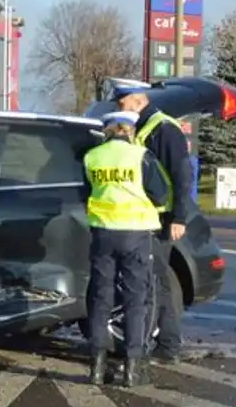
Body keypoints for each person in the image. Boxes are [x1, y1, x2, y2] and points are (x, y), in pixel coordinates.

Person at [108, 85, 196, 363]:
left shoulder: (163, 128)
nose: (121, 109)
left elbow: (182, 174)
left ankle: (166, 346)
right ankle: (165, 343)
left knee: (156, 283)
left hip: (162, 217)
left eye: (123, 103)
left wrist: (179, 217)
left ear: (139, 100)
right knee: (154, 281)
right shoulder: (143, 127)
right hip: (146, 216)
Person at [82, 109, 170, 387]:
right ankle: (132, 370)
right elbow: (161, 193)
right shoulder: (140, 156)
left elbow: (85, 192)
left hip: (102, 234)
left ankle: (97, 367)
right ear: (129, 130)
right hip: (135, 234)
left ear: (108, 130)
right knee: (135, 300)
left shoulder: (92, 157)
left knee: (100, 299)